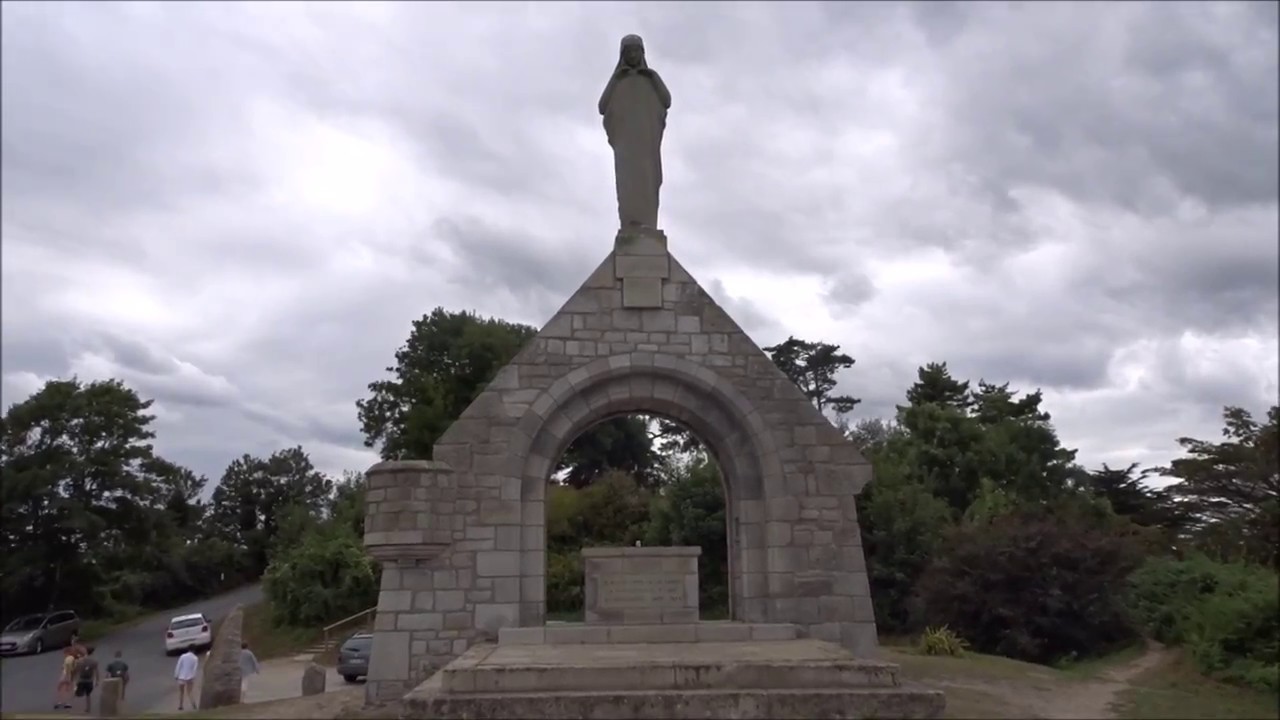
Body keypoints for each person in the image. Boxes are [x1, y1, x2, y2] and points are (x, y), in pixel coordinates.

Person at [597, 34, 672, 230]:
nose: (632, 55)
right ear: (622, 55)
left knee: (648, 183)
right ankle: (630, 224)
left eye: (636, 50)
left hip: (646, 145)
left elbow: (666, 100)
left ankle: (648, 225)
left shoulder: (650, 78)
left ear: (641, 52)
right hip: (626, 148)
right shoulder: (619, 80)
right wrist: (616, 78)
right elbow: (602, 106)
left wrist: (653, 76)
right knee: (627, 186)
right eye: (628, 51)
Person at [73, 645, 100, 714]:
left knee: (77, 693)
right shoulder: (94, 662)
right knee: (88, 695)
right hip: (89, 681)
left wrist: (74, 680)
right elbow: (97, 672)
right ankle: (88, 709)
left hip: (81, 680)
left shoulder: (79, 661)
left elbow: (76, 671)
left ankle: (71, 706)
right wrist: (97, 681)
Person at [53, 645, 79, 709]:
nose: (64, 655)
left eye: (64, 653)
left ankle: (59, 702)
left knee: (60, 688)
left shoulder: (68, 658)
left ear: (67, 652)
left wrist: (67, 674)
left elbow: (67, 666)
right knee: (68, 689)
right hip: (70, 675)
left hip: (65, 675)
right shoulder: (74, 658)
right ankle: (67, 703)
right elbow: (75, 668)